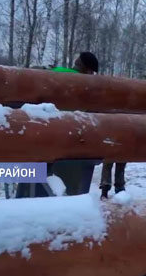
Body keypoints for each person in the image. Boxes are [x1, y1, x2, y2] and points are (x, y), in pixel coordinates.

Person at [50, 51, 102, 196]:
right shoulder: (83, 85)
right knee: (70, 192)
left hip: (47, 139)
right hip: (70, 147)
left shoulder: (56, 74)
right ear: (89, 70)